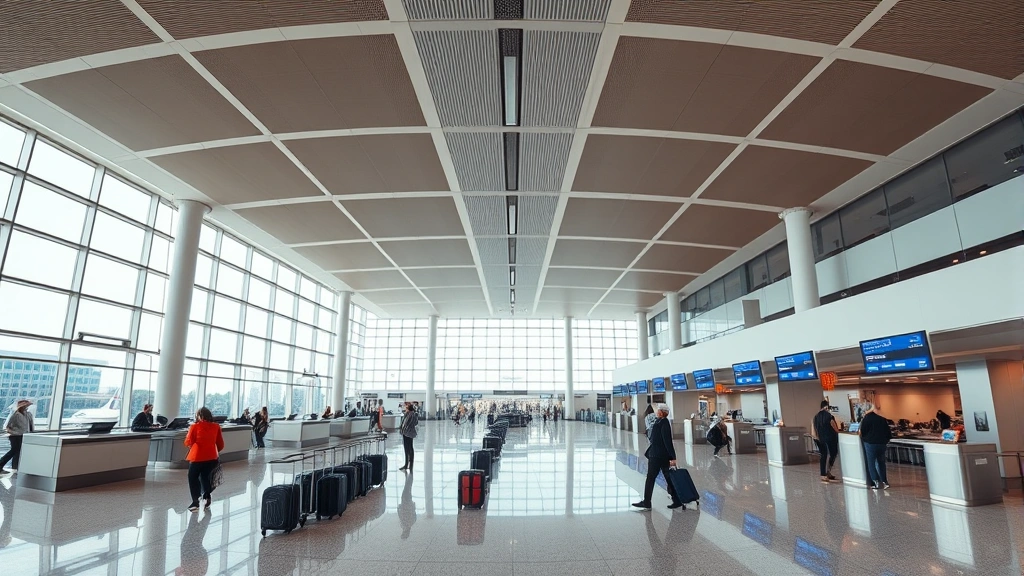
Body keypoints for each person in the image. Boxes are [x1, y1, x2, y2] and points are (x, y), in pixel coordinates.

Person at [633, 404, 683, 510]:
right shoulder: (659, 421)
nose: (657, 411)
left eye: (659, 410)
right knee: (667, 477)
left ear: (662, 412)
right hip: (657, 454)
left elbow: (667, 441)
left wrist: (673, 457)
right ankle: (677, 500)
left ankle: (647, 502)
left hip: (658, 456)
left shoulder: (664, 423)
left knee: (651, 478)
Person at [184, 407, 224, 512]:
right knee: (205, 478)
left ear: (199, 416)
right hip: (211, 457)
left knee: (193, 478)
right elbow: (220, 444)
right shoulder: (216, 427)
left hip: (197, 457)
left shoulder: (194, 427)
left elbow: (188, 442)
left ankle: (196, 502)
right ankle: (206, 499)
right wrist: (212, 450)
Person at [858, 403, 891, 490]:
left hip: (870, 444)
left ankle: (876, 481)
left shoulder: (866, 419)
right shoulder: (882, 419)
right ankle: (885, 481)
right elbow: (888, 433)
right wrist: (885, 441)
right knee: (881, 463)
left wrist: (865, 439)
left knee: (871, 463)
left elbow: (862, 432)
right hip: (881, 444)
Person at [0, 400, 34, 474]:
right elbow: (8, 426)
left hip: (23, 435)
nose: (26, 407)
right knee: (14, 451)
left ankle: (15, 468)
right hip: (15, 436)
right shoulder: (16, 415)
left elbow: (31, 426)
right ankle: (3, 465)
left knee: (17, 452)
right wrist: (14, 432)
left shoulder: (28, 414)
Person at [812, 400, 840, 482]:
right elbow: (833, 425)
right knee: (833, 454)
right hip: (830, 438)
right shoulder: (829, 415)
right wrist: (838, 432)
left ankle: (823, 474)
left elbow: (813, 428)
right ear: (826, 407)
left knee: (823, 455)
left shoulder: (816, 417)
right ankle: (827, 472)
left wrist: (815, 438)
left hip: (820, 439)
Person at [398, 402, 419, 471]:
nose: (404, 408)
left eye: (406, 407)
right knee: (407, 448)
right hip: (406, 433)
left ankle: (409, 464)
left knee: (409, 447)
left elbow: (411, 423)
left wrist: (404, 429)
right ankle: (407, 463)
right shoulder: (407, 414)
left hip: (408, 433)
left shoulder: (412, 414)